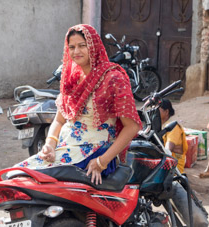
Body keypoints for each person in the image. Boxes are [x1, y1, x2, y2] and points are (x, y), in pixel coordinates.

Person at [15, 24, 142, 185]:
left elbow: (132, 127)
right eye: (72, 47)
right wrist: (49, 145)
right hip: (66, 148)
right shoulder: (71, 78)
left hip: (94, 153)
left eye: (82, 46)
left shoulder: (112, 78)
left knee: (28, 180)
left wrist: (102, 162)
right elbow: (60, 120)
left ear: (94, 47)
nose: (76, 52)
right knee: (17, 177)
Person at [159, 99, 188, 173]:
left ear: (166, 112)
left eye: (157, 110)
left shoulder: (173, 127)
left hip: (173, 171)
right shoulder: (161, 126)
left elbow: (167, 150)